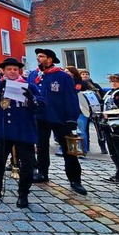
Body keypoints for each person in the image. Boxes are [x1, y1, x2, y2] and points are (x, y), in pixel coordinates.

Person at [0, 57, 44, 208]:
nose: (13, 72)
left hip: (24, 131)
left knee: (27, 164)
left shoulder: (29, 86)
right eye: (9, 69)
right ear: (4, 71)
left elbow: (41, 104)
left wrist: (31, 98)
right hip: (4, 131)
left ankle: (23, 194)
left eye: (15, 69)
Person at [28, 48, 87, 195]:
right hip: (40, 116)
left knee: (68, 149)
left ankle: (75, 179)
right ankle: (42, 172)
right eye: (37, 56)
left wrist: (72, 118)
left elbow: (71, 98)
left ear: (50, 59)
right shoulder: (34, 75)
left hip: (60, 118)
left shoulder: (63, 76)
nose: (38, 58)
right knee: (41, 147)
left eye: (41, 56)